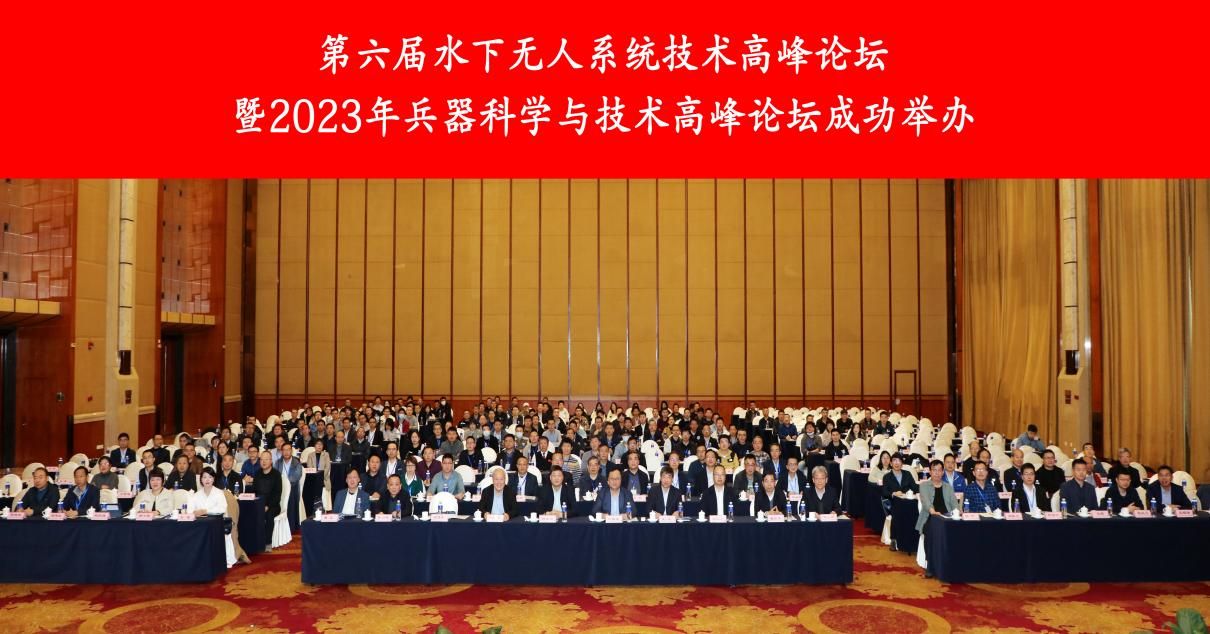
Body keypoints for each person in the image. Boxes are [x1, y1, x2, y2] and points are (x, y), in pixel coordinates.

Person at [916, 460, 958, 578]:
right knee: (931, 531)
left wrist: (957, 512)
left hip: (947, 518)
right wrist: (933, 512)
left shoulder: (948, 487)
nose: (937, 473)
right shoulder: (924, 485)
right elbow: (926, 502)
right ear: (930, 471)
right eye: (934, 470)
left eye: (939, 470)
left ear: (943, 472)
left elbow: (954, 504)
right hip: (930, 517)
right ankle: (930, 566)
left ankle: (953, 564)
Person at [252, 452, 282, 546]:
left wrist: (267, 506)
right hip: (259, 503)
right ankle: (253, 539)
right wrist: (258, 504)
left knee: (269, 515)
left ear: (271, 461)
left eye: (266, 459)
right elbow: (254, 491)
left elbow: (277, 494)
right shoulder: (257, 473)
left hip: (273, 505)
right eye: (261, 460)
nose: (263, 462)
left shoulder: (276, 475)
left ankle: (267, 542)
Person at [275, 443, 304, 531]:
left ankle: (291, 525)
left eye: (288, 450)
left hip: (292, 487)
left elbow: (296, 476)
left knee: (290, 494)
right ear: (281, 452)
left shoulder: (296, 462)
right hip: (280, 487)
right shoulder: (278, 462)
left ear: (291, 451)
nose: (286, 452)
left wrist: (286, 484)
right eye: (284, 450)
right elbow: (275, 476)